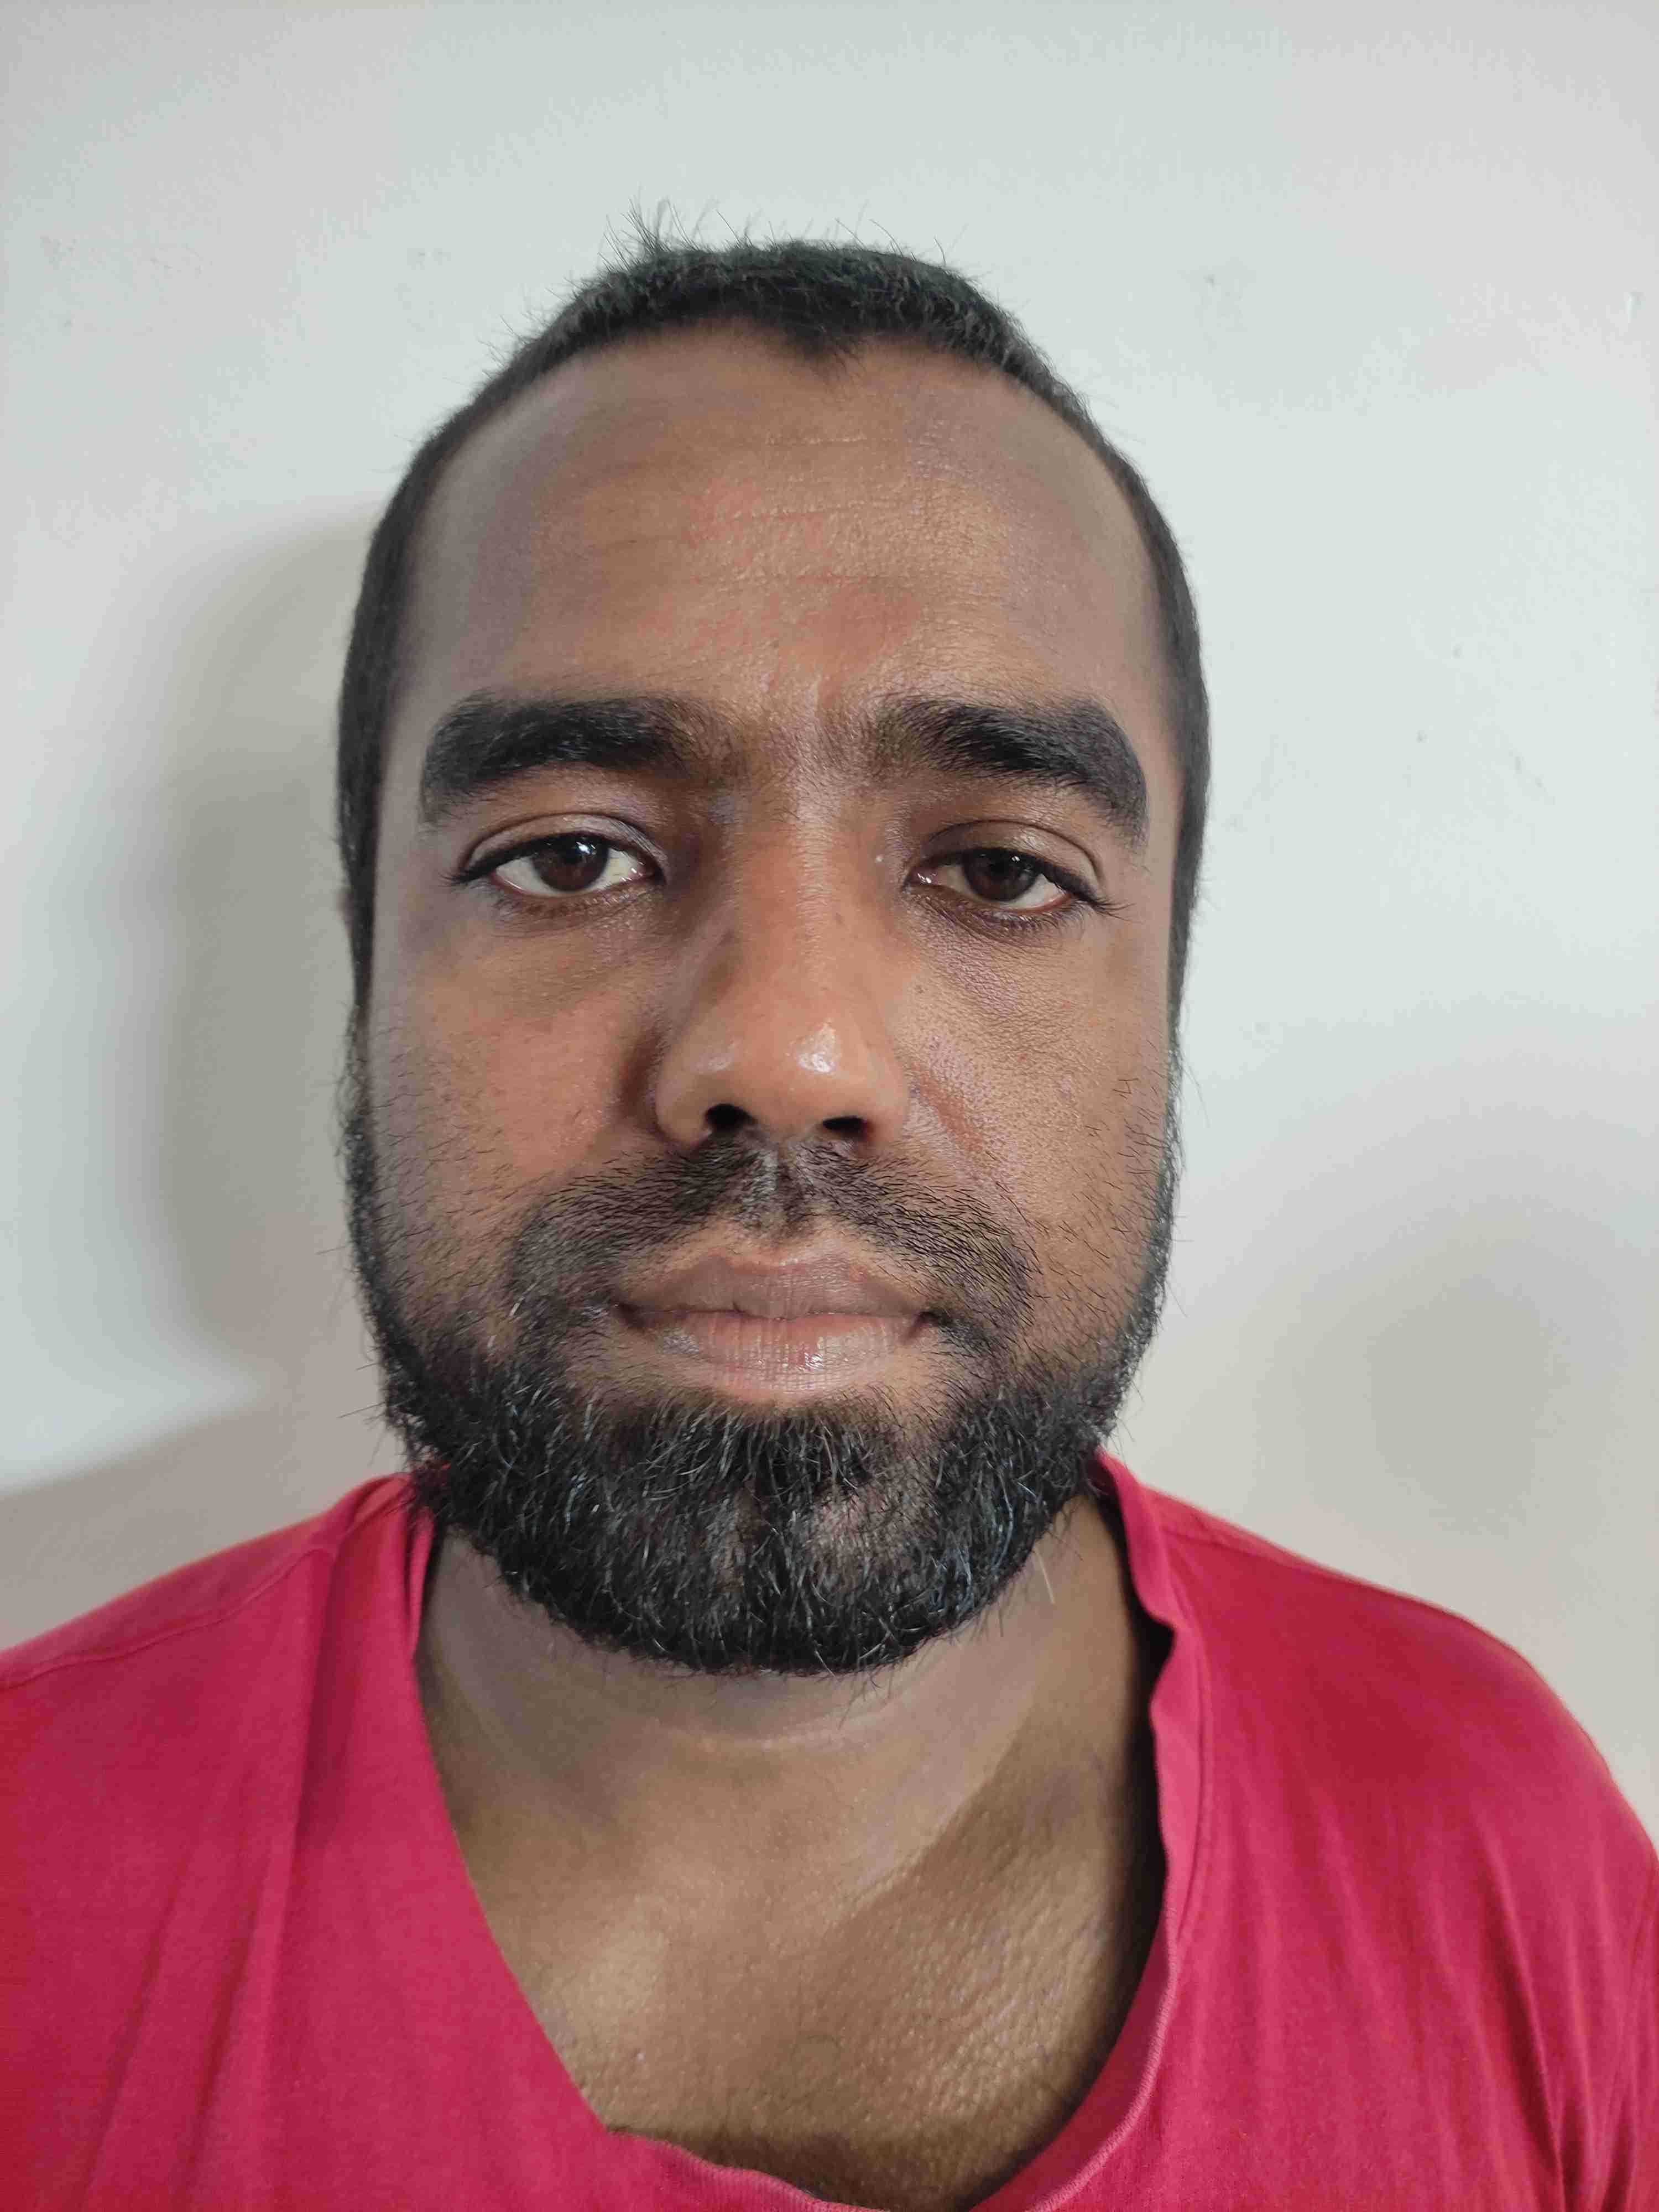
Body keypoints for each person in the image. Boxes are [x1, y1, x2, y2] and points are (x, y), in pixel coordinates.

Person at [3, 227, 1653, 2212]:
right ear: (365, 961)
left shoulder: (1507, 1851)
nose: (786, 1054)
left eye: (1000, 871)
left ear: (1173, 984)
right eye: (570, 855)